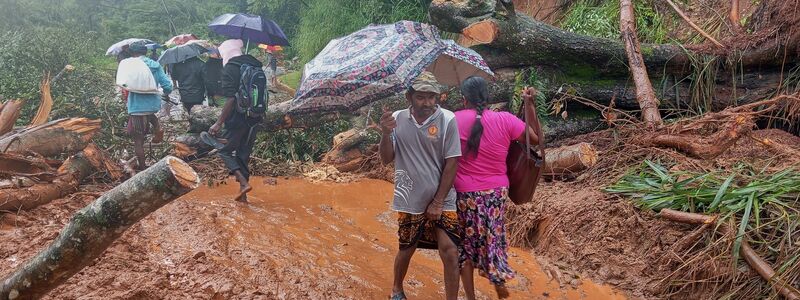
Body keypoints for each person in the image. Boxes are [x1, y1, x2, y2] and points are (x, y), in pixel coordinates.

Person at [453, 77, 540, 299]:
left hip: (465, 193)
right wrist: (529, 105)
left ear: (464, 100)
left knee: (466, 244)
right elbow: (535, 139)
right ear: (487, 97)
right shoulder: (506, 120)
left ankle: (471, 296)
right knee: (493, 236)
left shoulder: (454, 120)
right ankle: (497, 277)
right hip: (496, 192)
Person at [379, 71, 462, 300]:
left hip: (443, 198)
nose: (427, 103)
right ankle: (397, 288)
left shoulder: (448, 119)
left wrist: (437, 202)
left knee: (451, 251)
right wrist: (386, 134)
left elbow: (452, 162)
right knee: (407, 247)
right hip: (409, 197)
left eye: (432, 97)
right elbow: (387, 158)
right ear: (409, 97)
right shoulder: (396, 119)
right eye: (421, 97)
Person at [207, 39, 263, 203]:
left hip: (237, 119)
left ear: (226, 53)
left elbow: (231, 99)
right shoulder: (255, 65)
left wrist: (218, 123)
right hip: (254, 117)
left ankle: (244, 184)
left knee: (224, 151)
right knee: (243, 155)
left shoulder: (230, 69)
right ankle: (243, 197)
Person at [121, 41, 173, 171]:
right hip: (153, 103)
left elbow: (123, 83)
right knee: (150, 114)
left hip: (137, 106)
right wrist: (166, 93)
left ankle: (143, 168)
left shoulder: (129, 65)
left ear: (132, 53)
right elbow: (167, 85)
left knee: (138, 140)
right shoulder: (155, 65)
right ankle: (157, 127)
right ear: (146, 52)